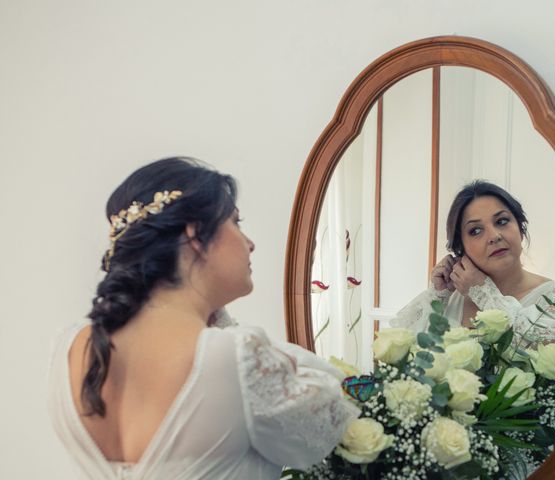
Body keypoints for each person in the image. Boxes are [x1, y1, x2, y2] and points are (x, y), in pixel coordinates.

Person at [47, 157, 359, 480]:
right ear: (196, 236)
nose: (249, 243)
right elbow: (334, 422)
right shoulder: (236, 356)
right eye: (236, 222)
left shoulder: (68, 349)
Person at [390, 180, 555, 351]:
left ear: (521, 229)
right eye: (475, 230)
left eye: (502, 221)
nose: (494, 236)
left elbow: (544, 356)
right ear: (461, 248)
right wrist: (438, 295)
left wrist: (482, 292)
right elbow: (405, 357)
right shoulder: (449, 300)